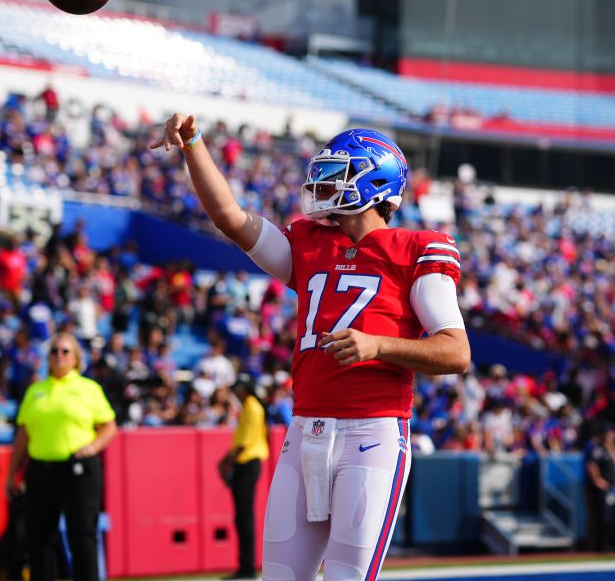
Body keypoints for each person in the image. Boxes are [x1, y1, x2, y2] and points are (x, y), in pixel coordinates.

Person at [150, 116, 471, 581]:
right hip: (304, 433)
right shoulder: (310, 241)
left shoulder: (417, 248)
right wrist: (193, 144)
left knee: (345, 577)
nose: (324, 182)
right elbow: (230, 218)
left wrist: (377, 345)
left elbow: (455, 352)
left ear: (375, 182)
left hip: (372, 434)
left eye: (340, 173)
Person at [5, 333, 117, 581]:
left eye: (65, 351)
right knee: (39, 539)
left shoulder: (88, 388)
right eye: (54, 350)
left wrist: (93, 447)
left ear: (76, 358)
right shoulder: (36, 390)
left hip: (78, 470)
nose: (59, 355)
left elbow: (109, 426)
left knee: (82, 536)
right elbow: (23, 436)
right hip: (41, 471)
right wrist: (12, 473)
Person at [218, 375, 269, 580]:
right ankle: (245, 566)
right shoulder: (251, 406)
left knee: (244, 517)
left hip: (247, 463)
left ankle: (247, 567)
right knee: (242, 517)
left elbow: (243, 442)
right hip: (247, 463)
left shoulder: (251, 407)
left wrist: (225, 462)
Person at [583, 422, 615, 552]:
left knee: (614, 517)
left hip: (612, 488)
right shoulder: (596, 447)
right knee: (603, 518)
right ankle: (602, 546)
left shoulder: (610, 447)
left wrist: (612, 445)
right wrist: (597, 480)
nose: (612, 436)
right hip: (601, 488)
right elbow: (591, 465)